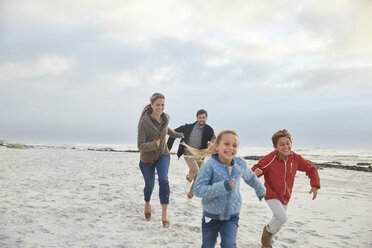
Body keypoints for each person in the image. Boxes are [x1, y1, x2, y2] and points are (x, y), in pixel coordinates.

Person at [186, 130, 266, 248]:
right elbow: (198, 190)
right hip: (211, 216)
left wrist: (261, 191)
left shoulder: (240, 164)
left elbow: (251, 178)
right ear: (217, 146)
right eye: (226, 144)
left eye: (234, 145)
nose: (230, 148)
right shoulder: (209, 166)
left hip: (232, 215)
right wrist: (223, 187)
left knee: (228, 244)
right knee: (208, 245)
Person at [251, 129, 321, 248]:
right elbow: (255, 170)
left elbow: (311, 169)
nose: (286, 146)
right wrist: (255, 173)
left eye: (288, 143)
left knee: (278, 223)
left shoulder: (296, 158)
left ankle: (269, 244)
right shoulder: (270, 159)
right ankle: (266, 232)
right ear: (275, 147)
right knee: (282, 218)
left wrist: (314, 185)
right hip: (271, 194)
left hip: (285, 196)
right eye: (282, 144)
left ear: (291, 143)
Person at [137, 93, 184, 228]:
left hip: (163, 154)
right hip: (147, 160)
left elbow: (165, 129)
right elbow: (140, 146)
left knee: (164, 180)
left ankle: (164, 216)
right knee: (149, 186)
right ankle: (147, 203)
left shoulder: (165, 118)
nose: (160, 107)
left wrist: (177, 135)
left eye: (162, 104)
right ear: (151, 105)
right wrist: (153, 145)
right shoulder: (143, 123)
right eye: (157, 104)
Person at [167, 109, 215, 199]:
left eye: (203, 118)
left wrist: (211, 144)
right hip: (188, 154)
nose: (202, 119)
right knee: (195, 170)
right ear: (197, 118)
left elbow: (214, 139)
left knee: (199, 176)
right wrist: (168, 148)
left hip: (200, 155)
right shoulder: (188, 127)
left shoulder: (209, 129)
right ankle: (188, 179)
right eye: (200, 117)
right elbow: (173, 133)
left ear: (206, 118)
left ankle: (190, 194)